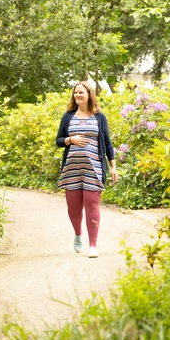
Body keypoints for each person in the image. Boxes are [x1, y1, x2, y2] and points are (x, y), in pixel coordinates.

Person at [56, 81, 117, 258]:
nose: (77, 96)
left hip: (94, 167)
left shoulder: (99, 117)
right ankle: (78, 234)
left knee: (92, 204)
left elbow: (107, 142)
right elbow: (59, 140)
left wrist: (113, 167)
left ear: (89, 94)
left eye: (81, 93)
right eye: (75, 93)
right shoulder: (68, 116)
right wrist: (70, 139)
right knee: (73, 208)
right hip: (72, 168)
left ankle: (93, 245)